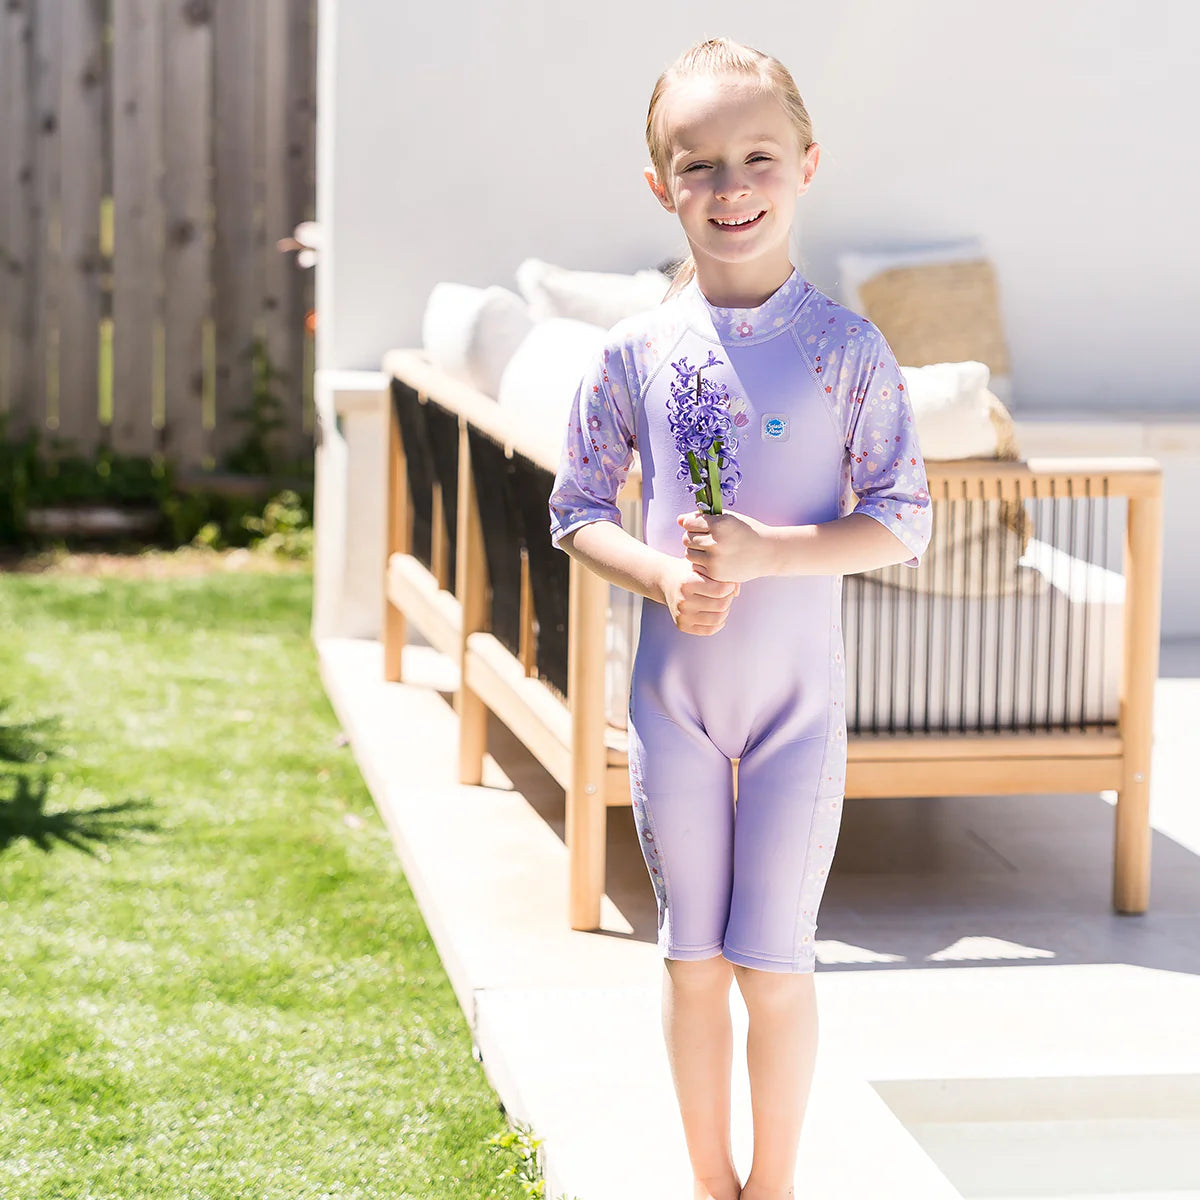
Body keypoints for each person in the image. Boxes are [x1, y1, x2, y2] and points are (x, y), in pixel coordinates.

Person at [547, 36, 932, 1200]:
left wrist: (772, 553)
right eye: (698, 163)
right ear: (660, 186)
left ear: (807, 163)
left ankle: (778, 1187)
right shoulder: (635, 353)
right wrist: (660, 576)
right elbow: (575, 510)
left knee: (772, 963)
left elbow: (902, 518)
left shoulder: (849, 354)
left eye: (757, 155)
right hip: (674, 707)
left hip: (794, 718)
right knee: (692, 959)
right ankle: (710, 1184)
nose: (731, 186)